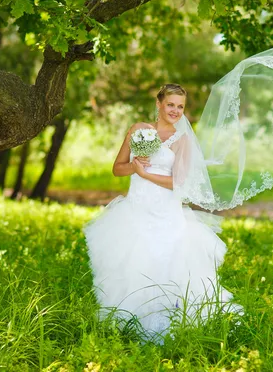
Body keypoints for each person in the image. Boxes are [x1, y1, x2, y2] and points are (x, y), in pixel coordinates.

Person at [83, 84, 243, 342]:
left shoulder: (182, 139)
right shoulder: (138, 130)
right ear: (159, 103)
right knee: (133, 262)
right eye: (171, 104)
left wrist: (147, 174)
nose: (175, 111)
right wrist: (135, 169)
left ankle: (171, 321)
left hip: (166, 212)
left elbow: (179, 183)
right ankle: (129, 322)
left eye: (180, 107)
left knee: (167, 262)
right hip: (136, 210)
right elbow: (118, 168)